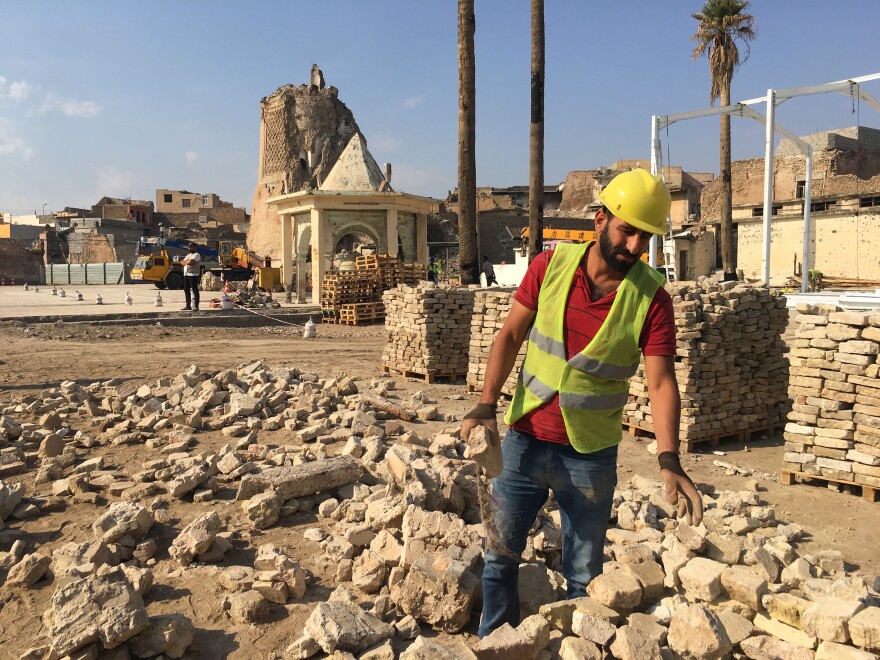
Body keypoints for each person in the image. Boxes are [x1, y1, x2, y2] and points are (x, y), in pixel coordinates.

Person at [461, 168, 704, 638]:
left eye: (645, 237)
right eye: (627, 230)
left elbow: (661, 383)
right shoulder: (549, 267)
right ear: (600, 220)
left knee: (584, 577)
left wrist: (669, 458)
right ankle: (497, 643)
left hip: (590, 457)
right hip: (525, 444)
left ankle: (575, 648)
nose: (635, 247)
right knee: (498, 559)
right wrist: (485, 403)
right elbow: (511, 334)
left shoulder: (653, 299)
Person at [180, 242, 201, 311]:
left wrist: (187, 262)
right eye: (189, 247)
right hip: (186, 275)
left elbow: (191, 262)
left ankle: (196, 305)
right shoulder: (189, 255)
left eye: (191, 247)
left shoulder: (197, 255)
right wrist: (186, 262)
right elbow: (182, 262)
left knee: (195, 290)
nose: (190, 248)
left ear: (195, 247)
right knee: (186, 290)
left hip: (193, 275)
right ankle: (188, 305)